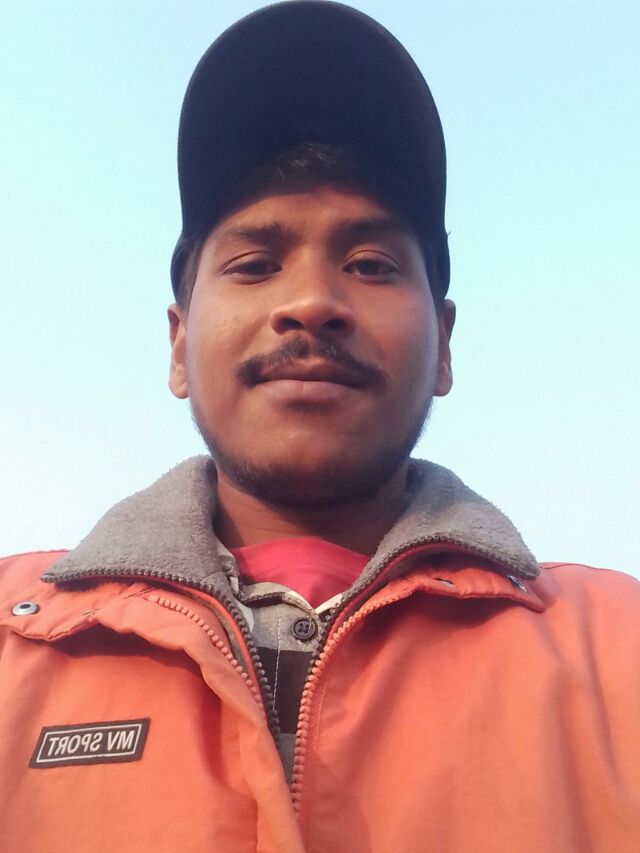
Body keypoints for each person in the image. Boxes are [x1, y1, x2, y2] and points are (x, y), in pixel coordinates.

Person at [1, 3, 638, 851]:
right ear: (180, 344)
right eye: (255, 264)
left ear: (444, 345)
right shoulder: (16, 640)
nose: (311, 302)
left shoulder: (618, 649)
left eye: (370, 264)